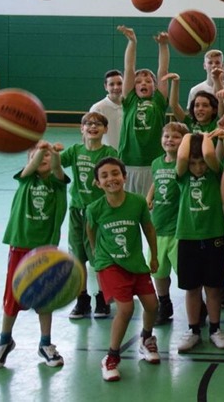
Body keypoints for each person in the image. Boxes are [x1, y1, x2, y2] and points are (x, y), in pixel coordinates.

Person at [0, 141, 68, 370]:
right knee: (12, 296)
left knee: (44, 296)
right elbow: (31, 167)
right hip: (20, 246)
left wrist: (54, 154)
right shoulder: (26, 179)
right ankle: (5, 340)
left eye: (46, 157)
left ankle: (45, 343)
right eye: (37, 156)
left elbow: (58, 168)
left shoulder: (58, 183)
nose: (42, 159)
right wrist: (41, 150)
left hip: (45, 249)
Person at [86, 157, 160, 381]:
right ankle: (111, 357)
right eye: (104, 176)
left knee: (152, 305)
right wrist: (98, 256)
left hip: (135, 262)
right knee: (126, 309)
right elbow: (90, 232)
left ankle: (146, 339)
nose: (111, 178)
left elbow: (149, 229)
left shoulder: (137, 202)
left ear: (124, 177)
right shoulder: (94, 209)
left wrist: (154, 256)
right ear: (98, 183)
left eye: (115, 173)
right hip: (110, 264)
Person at [173, 132, 224, 353]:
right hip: (188, 237)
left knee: (213, 288)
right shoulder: (182, 176)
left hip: (213, 236)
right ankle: (193, 330)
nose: (198, 167)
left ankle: (215, 329)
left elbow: (209, 154)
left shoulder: (215, 173)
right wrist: (188, 135)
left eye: (201, 163)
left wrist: (204, 135)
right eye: (193, 163)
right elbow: (181, 158)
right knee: (192, 288)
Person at [60, 111, 119, 320]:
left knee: (98, 257)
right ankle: (82, 299)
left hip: (99, 213)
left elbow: (117, 176)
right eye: (88, 124)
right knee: (77, 258)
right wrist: (48, 151)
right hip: (77, 210)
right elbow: (56, 163)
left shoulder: (109, 153)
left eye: (98, 124)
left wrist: (106, 180)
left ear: (105, 129)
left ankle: (103, 297)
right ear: (81, 129)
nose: (93, 127)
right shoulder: (75, 150)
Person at [116, 26, 170, 197]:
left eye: (148, 81)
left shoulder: (158, 101)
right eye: (138, 82)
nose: (143, 83)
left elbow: (163, 71)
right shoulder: (130, 101)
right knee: (130, 205)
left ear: (155, 86)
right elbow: (129, 68)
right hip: (129, 162)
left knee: (151, 206)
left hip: (153, 162)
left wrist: (163, 45)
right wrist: (132, 42)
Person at [146, 121, 189, 326]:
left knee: (186, 272)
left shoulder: (185, 164)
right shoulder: (157, 163)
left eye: (176, 137)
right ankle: (164, 303)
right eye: (166, 136)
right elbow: (156, 181)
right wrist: (149, 196)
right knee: (158, 271)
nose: (170, 140)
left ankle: (198, 305)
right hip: (158, 227)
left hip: (178, 229)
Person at [89, 69, 124, 149]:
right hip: (106, 154)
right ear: (106, 87)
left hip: (127, 153)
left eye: (119, 83)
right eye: (111, 84)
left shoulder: (130, 106)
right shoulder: (97, 109)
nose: (116, 87)